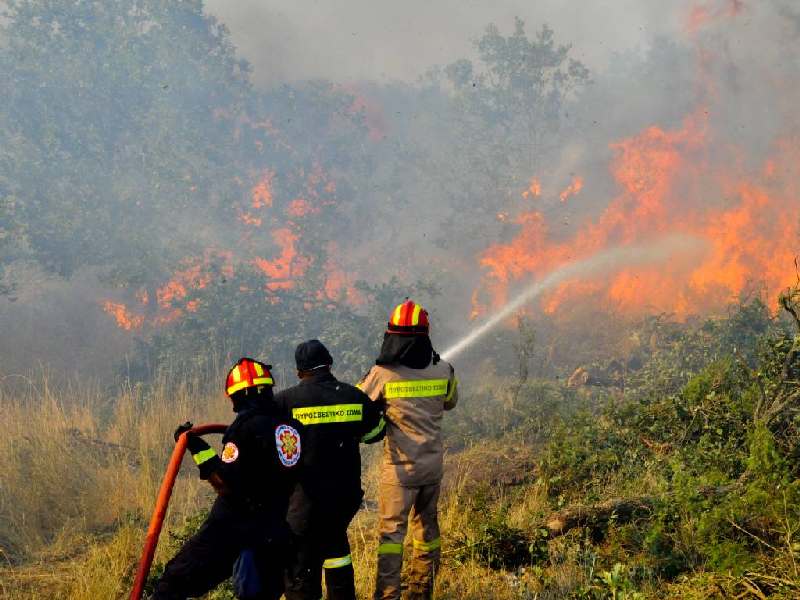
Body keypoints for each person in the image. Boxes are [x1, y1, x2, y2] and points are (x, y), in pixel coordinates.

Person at [151, 358, 303, 600]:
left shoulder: (245, 427)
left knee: (175, 581)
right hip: (274, 528)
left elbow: (224, 482)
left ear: (240, 394)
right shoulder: (291, 428)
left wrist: (195, 445)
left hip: (233, 526)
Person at [357, 300, 458, 600]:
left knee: (391, 537)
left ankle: (388, 595)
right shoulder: (443, 369)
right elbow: (450, 402)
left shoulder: (382, 374)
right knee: (427, 533)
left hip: (400, 471)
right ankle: (421, 592)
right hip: (432, 468)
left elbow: (358, 404)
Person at [274, 339, 385, 600]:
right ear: (330, 364)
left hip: (303, 501)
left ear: (300, 371)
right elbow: (377, 433)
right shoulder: (353, 395)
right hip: (343, 499)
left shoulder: (284, 402)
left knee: (300, 564)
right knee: (336, 551)